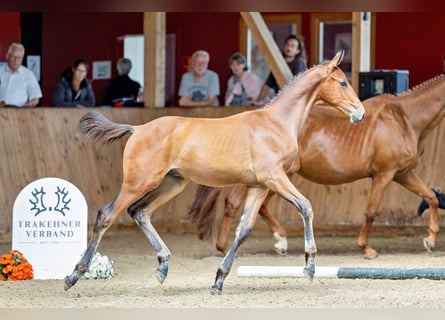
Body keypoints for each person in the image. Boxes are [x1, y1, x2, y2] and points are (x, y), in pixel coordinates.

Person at [254, 34, 308, 105]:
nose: (289, 48)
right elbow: (267, 85)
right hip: (280, 102)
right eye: (287, 45)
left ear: (297, 51)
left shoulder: (299, 63)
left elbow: (297, 85)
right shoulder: (279, 63)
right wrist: (257, 101)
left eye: (292, 46)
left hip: (295, 103)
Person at [0, 42, 42, 108]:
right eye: (14, 57)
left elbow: (36, 98)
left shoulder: (28, 75)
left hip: (19, 114)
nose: (16, 61)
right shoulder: (0, 72)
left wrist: (31, 103)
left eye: (19, 58)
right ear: (7, 56)